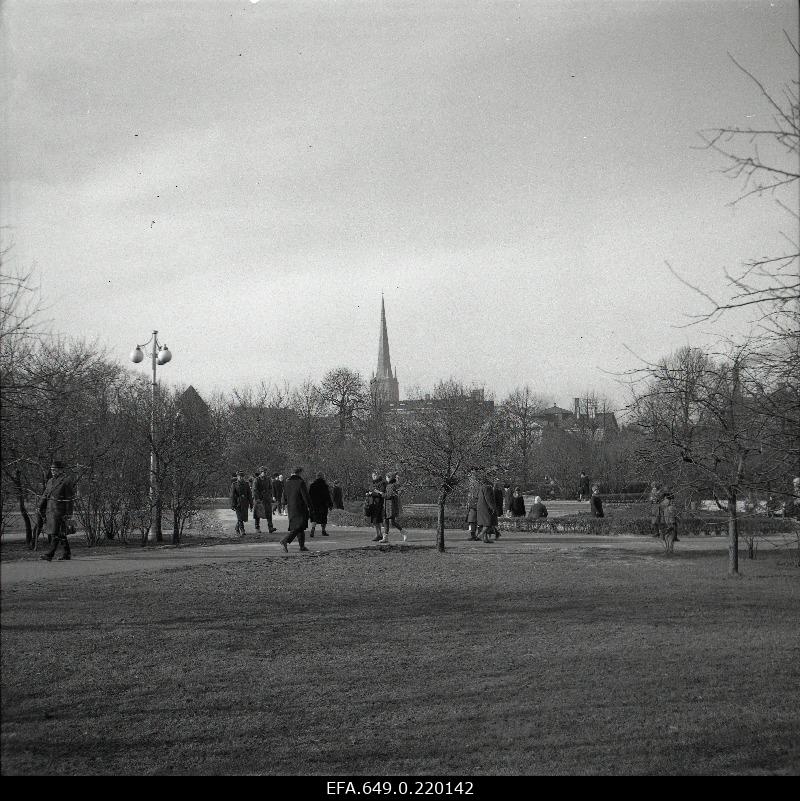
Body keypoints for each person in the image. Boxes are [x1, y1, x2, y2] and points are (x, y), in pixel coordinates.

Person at [38, 461, 77, 561]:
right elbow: (45, 495)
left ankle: (49, 555)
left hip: (60, 511)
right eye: (52, 470)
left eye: (55, 470)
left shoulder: (66, 481)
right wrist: (39, 506)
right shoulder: (50, 481)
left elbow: (70, 498)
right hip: (50, 510)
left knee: (55, 533)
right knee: (61, 534)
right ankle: (67, 554)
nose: (53, 471)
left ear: (61, 470)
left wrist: (69, 513)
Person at [280, 467, 312, 552]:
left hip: (291, 508)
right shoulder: (301, 482)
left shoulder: (286, 483)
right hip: (300, 508)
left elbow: (283, 499)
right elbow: (305, 497)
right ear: (299, 473)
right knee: (299, 526)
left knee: (299, 527)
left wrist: (286, 504)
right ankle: (285, 540)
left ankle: (302, 546)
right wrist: (310, 506)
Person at [382, 472, 406, 543]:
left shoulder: (392, 485)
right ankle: (386, 537)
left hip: (391, 506)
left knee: (390, 521)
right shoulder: (389, 485)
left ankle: (403, 532)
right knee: (388, 521)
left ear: (389, 477)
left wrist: (381, 494)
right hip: (388, 505)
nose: (386, 479)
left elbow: (389, 495)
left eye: (386, 477)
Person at [252, 466, 277, 533]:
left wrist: (270, 496)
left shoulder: (268, 479)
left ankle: (270, 527)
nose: (265, 473)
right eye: (263, 472)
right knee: (258, 514)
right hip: (259, 499)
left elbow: (271, 488)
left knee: (269, 513)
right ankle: (257, 527)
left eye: (266, 472)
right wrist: (257, 498)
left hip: (267, 499)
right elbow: (254, 490)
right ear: (261, 472)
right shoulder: (257, 479)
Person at [309, 472, 333, 537]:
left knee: (314, 518)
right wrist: (330, 504)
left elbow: (309, 495)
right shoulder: (325, 485)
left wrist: (309, 504)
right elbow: (327, 496)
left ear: (316, 477)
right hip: (323, 505)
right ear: (323, 477)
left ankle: (313, 529)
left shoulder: (312, 485)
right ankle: (323, 531)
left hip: (314, 505)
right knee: (323, 518)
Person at [230, 470, 253, 536]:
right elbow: (232, 495)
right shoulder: (234, 484)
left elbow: (249, 495)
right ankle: (242, 530)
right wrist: (232, 505)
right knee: (239, 517)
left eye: (242, 476)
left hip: (245, 503)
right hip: (238, 503)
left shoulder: (246, 484)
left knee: (242, 518)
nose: (241, 478)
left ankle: (237, 528)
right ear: (237, 477)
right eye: (240, 476)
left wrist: (251, 504)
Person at [365, 470, 387, 542]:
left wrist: (371, 493)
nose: (374, 477)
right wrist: (368, 493)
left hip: (378, 503)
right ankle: (378, 534)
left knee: (377, 520)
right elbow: (370, 490)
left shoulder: (382, 483)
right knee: (374, 520)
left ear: (378, 475)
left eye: (375, 475)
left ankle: (380, 535)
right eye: (373, 475)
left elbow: (381, 493)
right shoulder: (372, 483)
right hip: (372, 503)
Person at [477, 474, 499, 543]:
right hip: (486, 508)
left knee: (484, 523)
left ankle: (485, 539)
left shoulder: (481, 487)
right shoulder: (487, 487)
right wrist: (492, 507)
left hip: (481, 507)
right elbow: (488, 499)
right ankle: (481, 535)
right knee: (488, 523)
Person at [465, 472, 479, 541]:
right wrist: (467, 503)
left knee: (473, 521)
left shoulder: (476, 486)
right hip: (472, 506)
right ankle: (473, 535)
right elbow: (469, 497)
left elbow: (475, 497)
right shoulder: (471, 486)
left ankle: (474, 536)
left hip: (474, 506)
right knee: (471, 521)